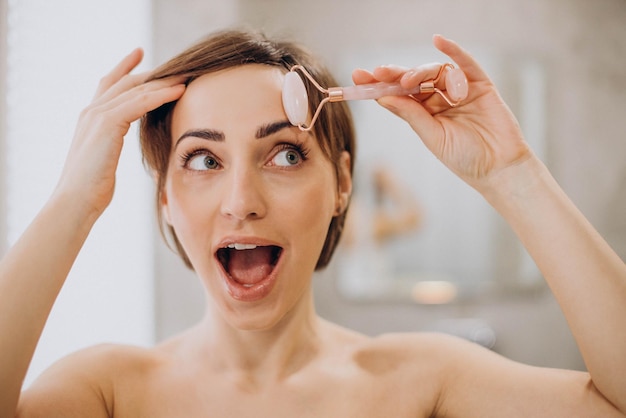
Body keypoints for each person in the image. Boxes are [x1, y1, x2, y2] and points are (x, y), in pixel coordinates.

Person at [0, 28, 624, 417]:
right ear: (164, 198)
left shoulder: (426, 382)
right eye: (203, 159)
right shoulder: (109, 394)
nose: (240, 199)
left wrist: (512, 173)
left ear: (342, 184)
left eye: (286, 153)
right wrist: (72, 203)